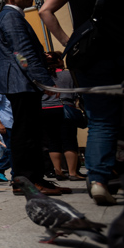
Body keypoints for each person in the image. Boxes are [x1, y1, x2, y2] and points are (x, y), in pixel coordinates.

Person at [39, 0, 124, 205]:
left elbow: (45, 10)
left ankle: (97, 180)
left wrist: (67, 41)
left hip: (90, 58)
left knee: (101, 120)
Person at [0, 0, 67, 196]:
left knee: (30, 132)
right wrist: (43, 79)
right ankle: (27, 180)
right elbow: (21, 53)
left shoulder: (9, 16)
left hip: (20, 81)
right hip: (21, 81)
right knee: (27, 133)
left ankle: (34, 178)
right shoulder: (11, 17)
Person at [40, 52, 81, 182]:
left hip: (45, 110)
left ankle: (58, 171)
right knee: (69, 140)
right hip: (65, 108)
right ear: (59, 61)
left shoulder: (42, 76)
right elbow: (77, 92)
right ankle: (73, 172)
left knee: (53, 141)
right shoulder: (68, 74)